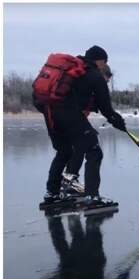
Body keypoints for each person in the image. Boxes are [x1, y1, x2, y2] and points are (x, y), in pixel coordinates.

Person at [37, 45, 126, 207]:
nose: (104, 65)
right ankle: (92, 197)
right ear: (100, 61)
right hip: (69, 114)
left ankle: (51, 194)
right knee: (94, 151)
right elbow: (106, 107)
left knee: (64, 151)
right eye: (105, 61)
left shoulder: (72, 71)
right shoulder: (94, 75)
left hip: (50, 113)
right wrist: (117, 120)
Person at [61, 62, 114, 194]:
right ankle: (91, 195)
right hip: (71, 118)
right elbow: (103, 106)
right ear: (102, 74)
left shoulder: (83, 82)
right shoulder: (92, 81)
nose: (106, 84)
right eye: (106, 80)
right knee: (94, 151)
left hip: (64, 117)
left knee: (80, 146)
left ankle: (68, 182)